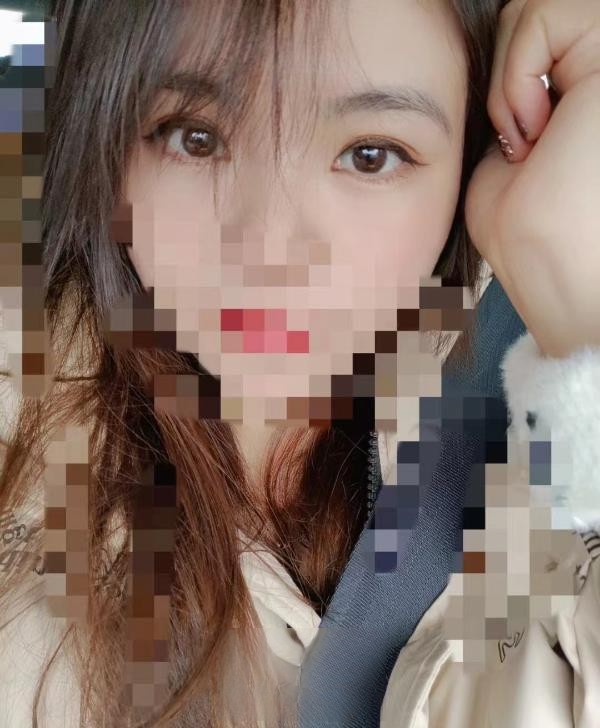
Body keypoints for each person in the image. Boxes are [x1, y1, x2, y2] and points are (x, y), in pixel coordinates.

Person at [0, 0, 598, 726]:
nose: (270, 251)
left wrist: (582, 326)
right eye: (195, 138)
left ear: (478, 157)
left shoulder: (541, 436)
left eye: (371, 155)